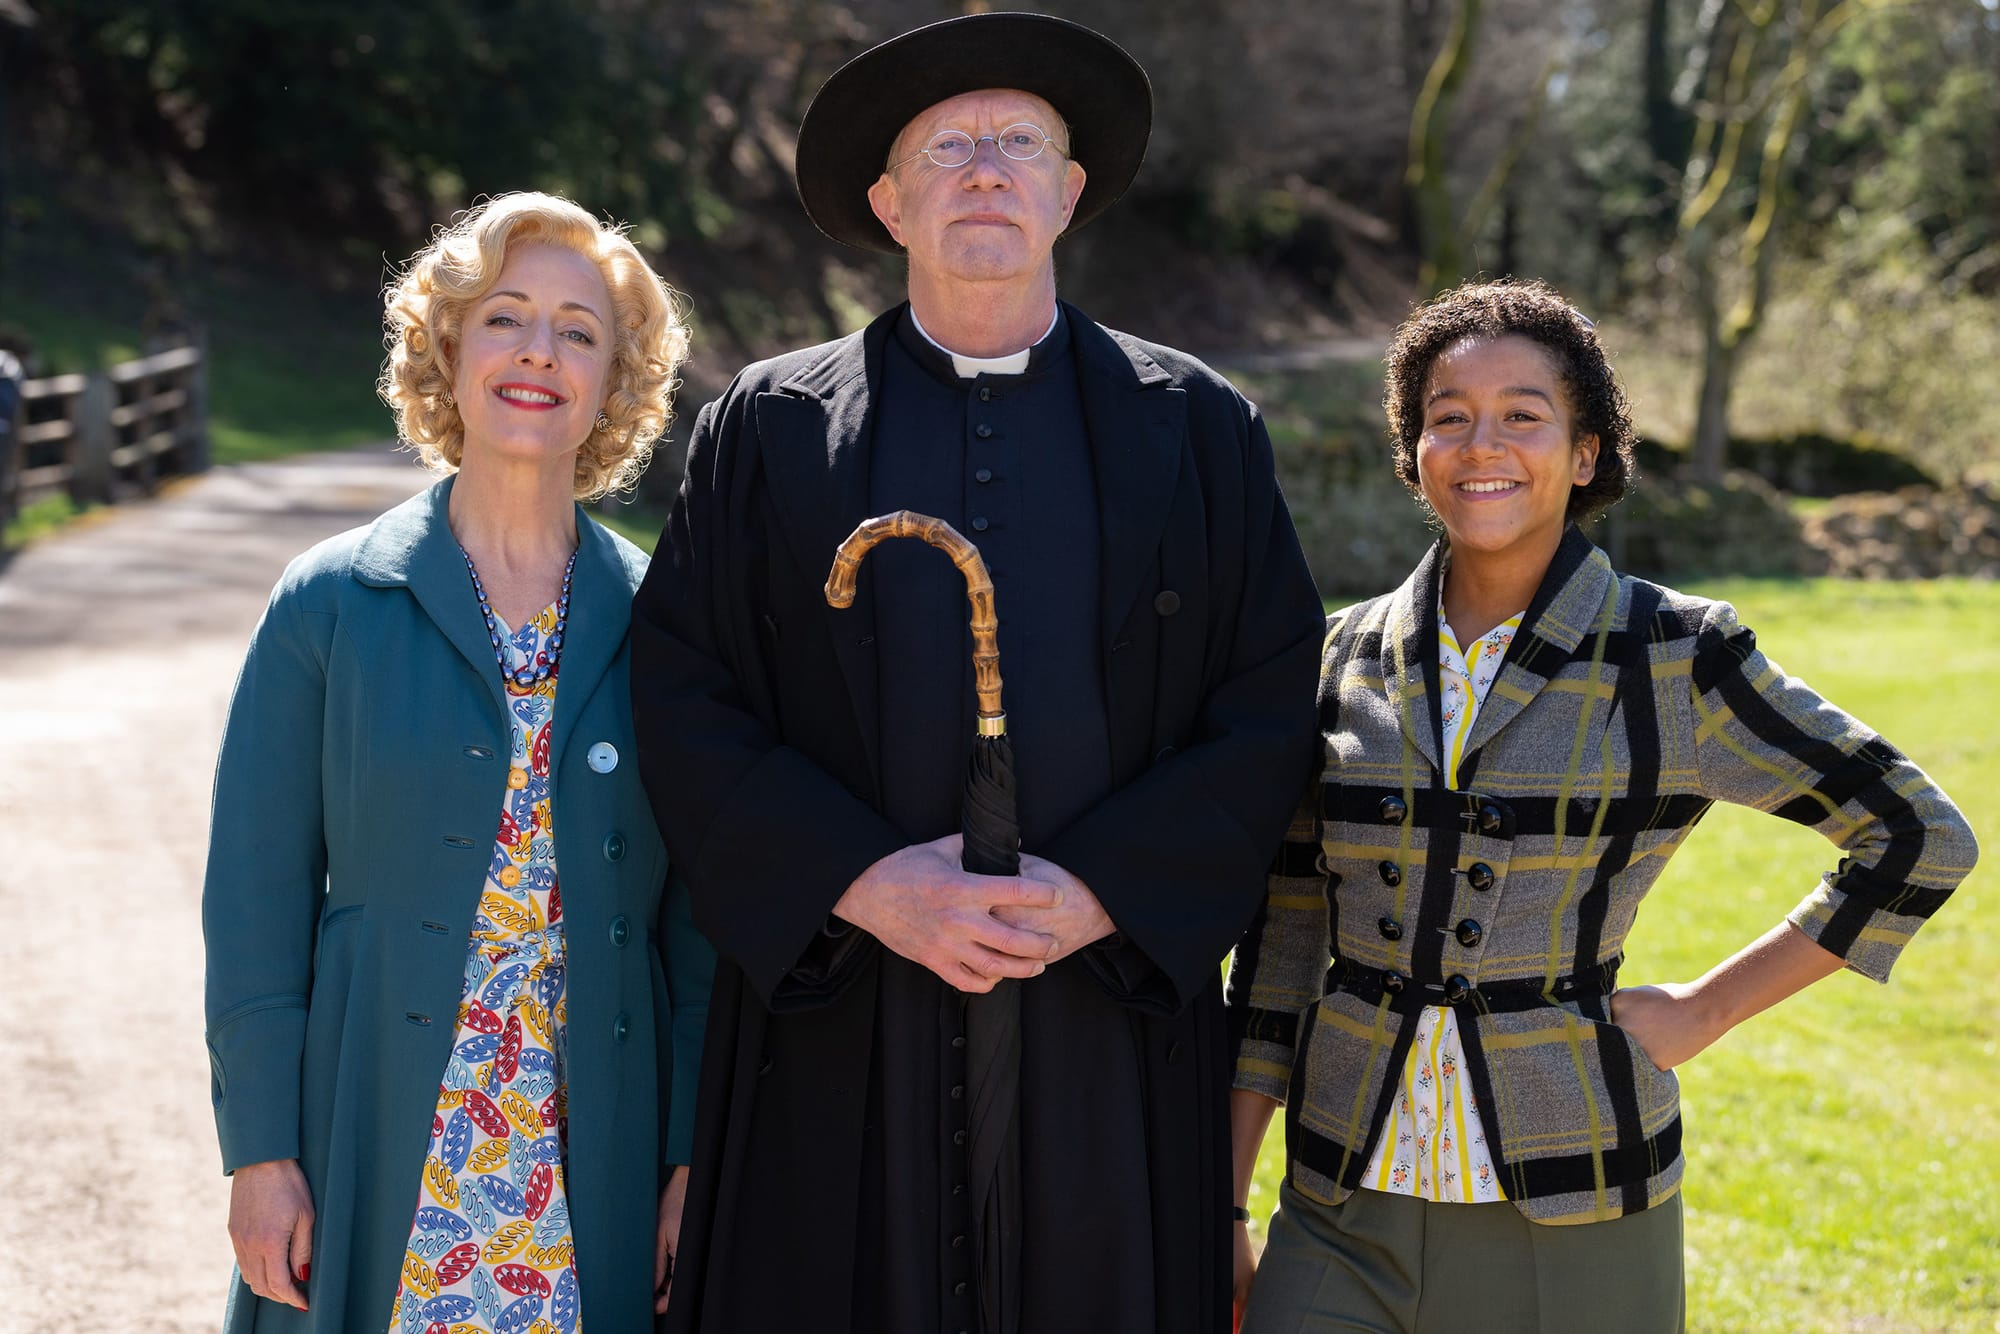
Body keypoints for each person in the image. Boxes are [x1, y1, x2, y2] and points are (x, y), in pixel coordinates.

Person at [629, 12, 1324, 1334]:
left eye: (1019, 143)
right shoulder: (767, 429)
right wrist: (866, 880)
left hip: (1106, 1018)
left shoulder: (1200, 430)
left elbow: (1272, 695)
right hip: (837, 1012)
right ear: (889, 203)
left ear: (1068, 192)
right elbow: (682, 688)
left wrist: (1104, 888)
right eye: (947, 147)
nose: (986, 168)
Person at [1226, 278, 1978, 1333]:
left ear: (1584, 454)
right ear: (1414, 455)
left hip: (1576, 1210)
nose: (1481, 442)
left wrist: (1704, 1008)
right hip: (1337, 1203)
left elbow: (1916, 835)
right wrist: (1226, 1190)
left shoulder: (1670, 652)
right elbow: (1284, 940)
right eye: (1448, 418)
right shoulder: (1336, 655)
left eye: (1522, 416)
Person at [202, 191, 715, 1333]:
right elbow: (254, 902)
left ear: (613, 381)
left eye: (579, 331)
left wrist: (689, 1159)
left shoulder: (670, 621)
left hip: (594, 1150)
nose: (540, 352)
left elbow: (698, 928)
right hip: (372, 1129)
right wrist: (261, 1154)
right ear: (447, 347)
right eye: (506, 318)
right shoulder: (329, 603)